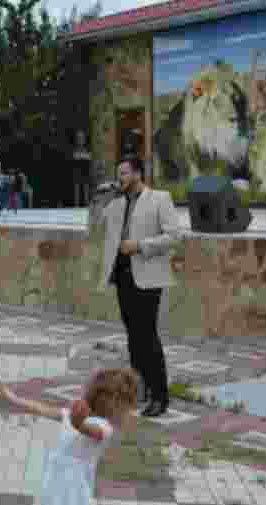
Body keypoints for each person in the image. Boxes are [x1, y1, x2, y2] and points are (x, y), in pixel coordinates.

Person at [0, 368, 140, 505]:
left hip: (56, 486)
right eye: (126, 406)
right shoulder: (102, 427)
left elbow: (43, 409)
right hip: (73, 492)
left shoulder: (79, 419)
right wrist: (77, 422)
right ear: (117, 404)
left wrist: (13, 398)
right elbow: (87, 429)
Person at [99, 156, 183, 417]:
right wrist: (97, 200)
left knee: (147, 337)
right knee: (133, 337)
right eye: (118, 173)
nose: (119, 177)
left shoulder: (160, 198)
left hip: (147, 277)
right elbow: (92, 227)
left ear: (137, 174)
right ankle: (139, 389)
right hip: (122, 276)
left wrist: (140, 246)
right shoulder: (115, 203)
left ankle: (160, 397)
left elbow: (175, 236)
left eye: (124, 172)